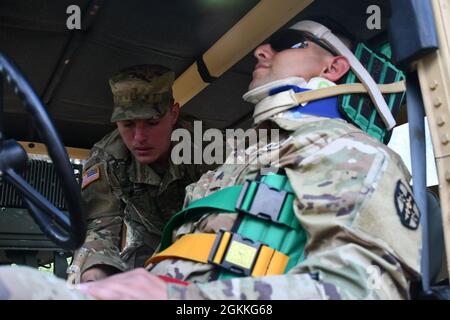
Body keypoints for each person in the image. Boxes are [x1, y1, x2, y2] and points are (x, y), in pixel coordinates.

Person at [0, 19, 421, 300]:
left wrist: (174, 297)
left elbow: (365, 288)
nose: (260, 51)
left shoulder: (345, 151)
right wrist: (101, 278)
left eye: (286, 43)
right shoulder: (237, 161)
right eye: (127, 126)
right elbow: (103, 227)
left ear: (334, 67)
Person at [68, 64, 208, 283]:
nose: (139, 137)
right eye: (128, 124)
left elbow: (226, 219)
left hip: (203, 242)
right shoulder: (107, 159)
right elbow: (99, 228)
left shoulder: (206, 147)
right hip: (149, 244)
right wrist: (93, 275)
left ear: (173, 114)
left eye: (152, 122)